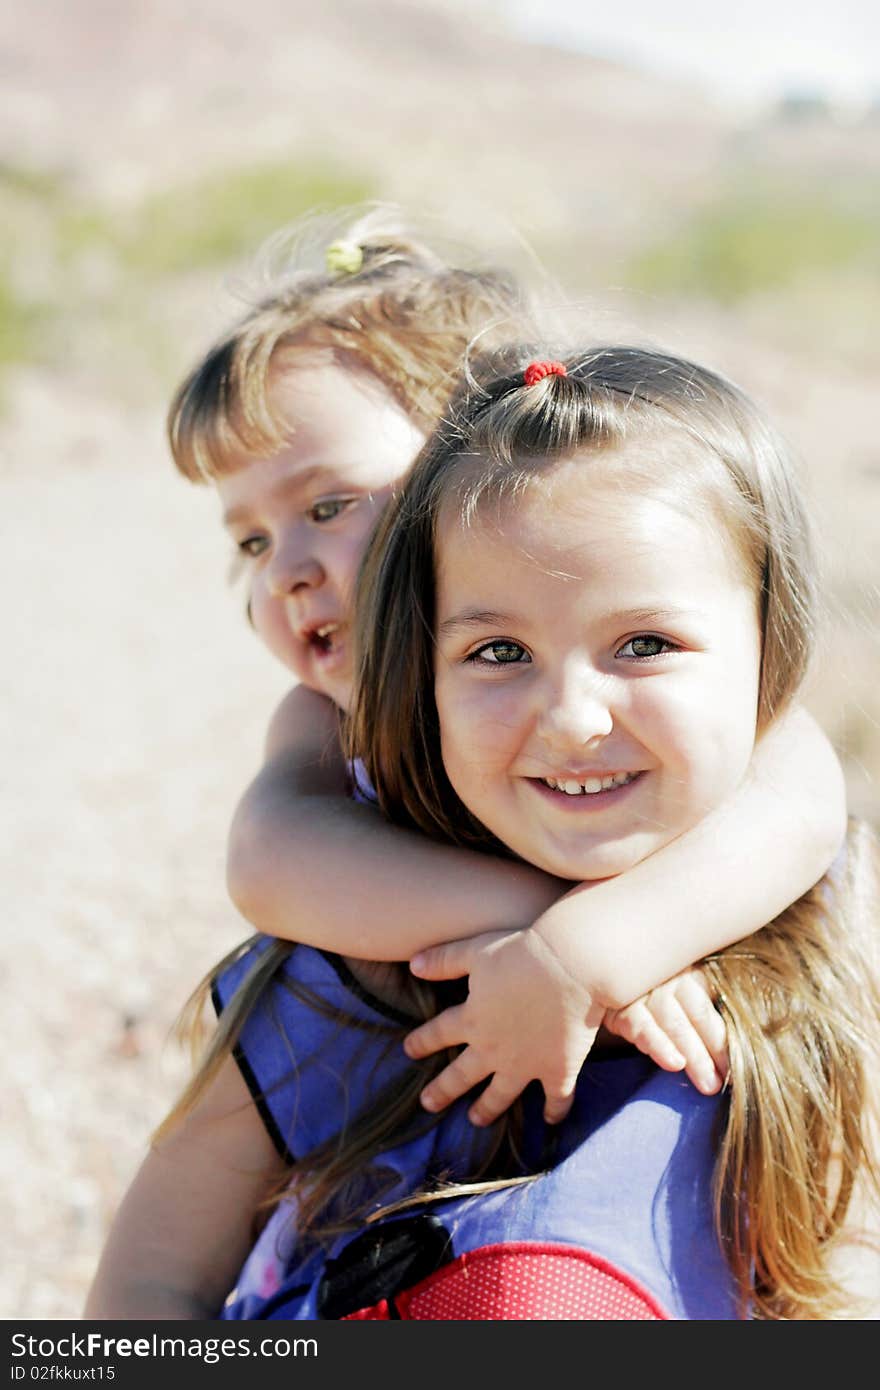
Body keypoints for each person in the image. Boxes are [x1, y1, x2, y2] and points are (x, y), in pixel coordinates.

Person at [83, 213, 847, 1319]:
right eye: (250, 541)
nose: (287, 570)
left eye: (328, 505)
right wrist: (534, 936)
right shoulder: (323, 726)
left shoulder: (676, 704)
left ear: (477, 460)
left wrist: (590, 953)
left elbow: (803, 797)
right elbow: (271, 853)